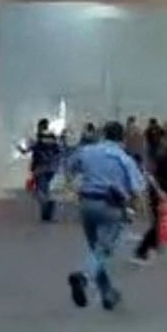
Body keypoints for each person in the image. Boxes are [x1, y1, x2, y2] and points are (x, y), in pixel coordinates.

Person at [64, 120, 147, 311]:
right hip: (111, 208)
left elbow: (69, 169)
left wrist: (75, 186)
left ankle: (107, 294)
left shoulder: (87, 151)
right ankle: (84, 277)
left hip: (87, 204)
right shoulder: (124, 158)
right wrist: (140, 211)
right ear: (122, 138)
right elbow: (137, 190)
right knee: (102, 251)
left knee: (96, 251)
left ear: (103, 134)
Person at [133, 125, 167, 264]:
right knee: (159, 223)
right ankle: (141, 250)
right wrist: (160, 192)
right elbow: (150, 174)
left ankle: (154, 242)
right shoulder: (163, 152)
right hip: (161, 192)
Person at [26, 119, 63, 223]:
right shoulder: (52, 137)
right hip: (51, 168)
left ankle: (47, 204)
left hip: (39, 167)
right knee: (45, 188)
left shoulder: (37, 137)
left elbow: (29, 149)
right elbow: (58, 151)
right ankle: (46, 214)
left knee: (38, 191)